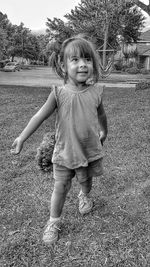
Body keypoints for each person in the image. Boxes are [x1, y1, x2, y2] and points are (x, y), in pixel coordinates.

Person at [11, 36, 108, 244]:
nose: (83, 64)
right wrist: (22, 137)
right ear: (63, 66)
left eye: (87, 59)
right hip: (64, 152)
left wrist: (104, 132)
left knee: (86, 180)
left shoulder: (96, 92)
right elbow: (39, 116)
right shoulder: (58, 93)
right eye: (75, 60)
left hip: (89, 150)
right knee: (61, 187)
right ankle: (53, 221)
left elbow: (101, 116)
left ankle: (84, 195)